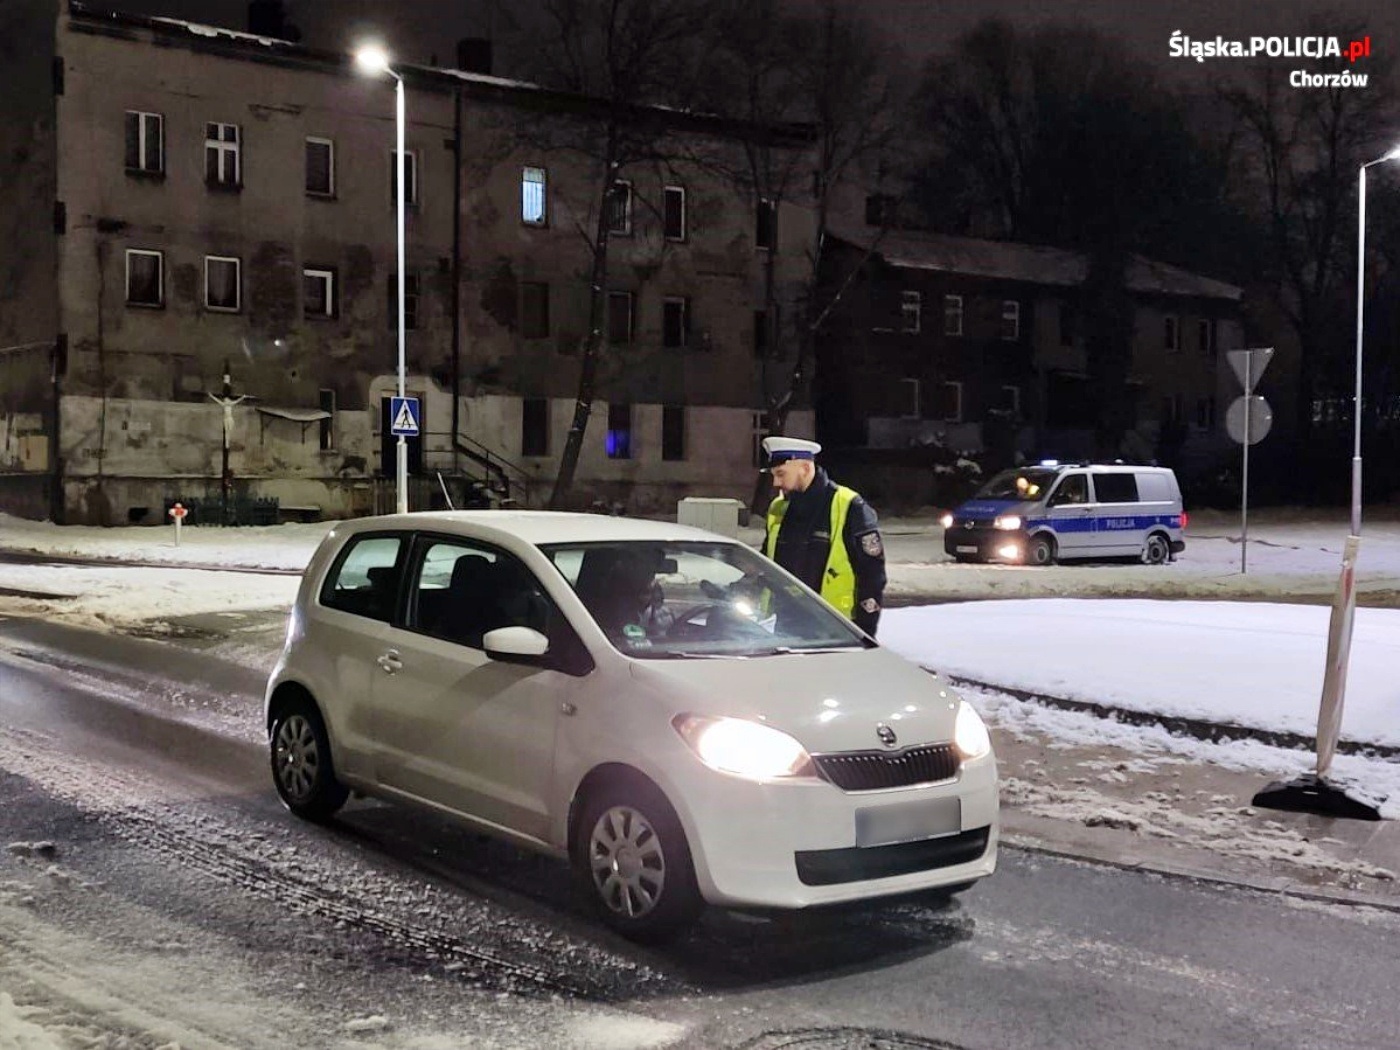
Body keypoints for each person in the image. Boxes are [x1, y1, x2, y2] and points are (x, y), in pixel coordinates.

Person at [760, 436, 886, 636]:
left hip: (836, 628)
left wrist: (865, 629)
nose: (776, 482)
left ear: (805, 468)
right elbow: (766, 565)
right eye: (774, 475)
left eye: (781, 474)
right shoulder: (779, 508)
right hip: (786, 626)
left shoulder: (848, 505)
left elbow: (872, 573)